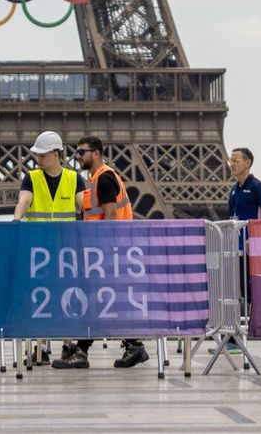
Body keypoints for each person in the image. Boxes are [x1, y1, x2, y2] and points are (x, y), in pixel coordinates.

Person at [69, 135, 149, 369]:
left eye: (81, 152)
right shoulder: (96, 179)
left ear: (96, 153)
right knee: (105, 301)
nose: (77, 156)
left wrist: (100, 253)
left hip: (106, 250)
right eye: (76, 152)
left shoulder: (103, 178)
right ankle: (133, 345)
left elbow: (111, 217)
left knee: (95, 300)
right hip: (107, 249)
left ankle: (82, 352)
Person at [12, 131, 84, 368]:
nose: (38, 159)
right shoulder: (31, 178)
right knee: (40, 297)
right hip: (39, 249)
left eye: (42, 155)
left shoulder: (75, 179)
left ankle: (67, 345)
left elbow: (84, 207)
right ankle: (41, 347)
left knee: (64, 296)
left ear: (56, 154)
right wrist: (15, 222)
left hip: (65, 250)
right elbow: (24, 200)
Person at [226, 147, 261, 352]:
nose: (232, 163)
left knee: (257, 294)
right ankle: (233, 339)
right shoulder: (234, 190)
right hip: (236, 251)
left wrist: (255, 239)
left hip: (253, 252)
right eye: (230, 160)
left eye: (236, 160)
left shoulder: (258, 187)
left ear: (247, 163)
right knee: (238, 293)